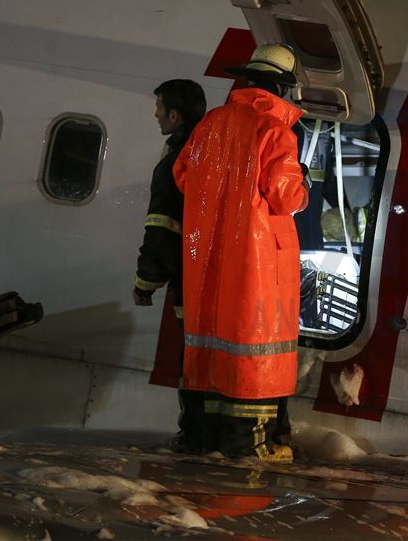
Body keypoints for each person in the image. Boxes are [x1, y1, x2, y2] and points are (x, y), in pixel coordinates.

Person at [173, 44, 310, 462]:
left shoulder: (210, 124)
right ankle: (248, 443)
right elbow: (284, 196)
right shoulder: (275, 131)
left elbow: (183, 176)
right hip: (257, 263)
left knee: (213, 347)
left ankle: (205, 437)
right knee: (253, 349)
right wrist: (304, 187)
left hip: (208, 259)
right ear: (282, 89)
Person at [132, 78, 207, 454]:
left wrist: (144, 283)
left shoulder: (174, 163)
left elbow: (161, 230)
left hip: (191, 286)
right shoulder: (212, 154)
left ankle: (194, 438)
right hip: (218, 285)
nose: (155, 114)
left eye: (159, 108)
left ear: (174, 116)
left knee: (193, 362)